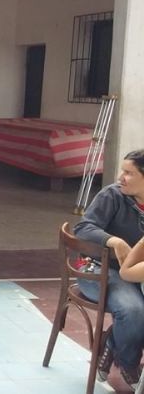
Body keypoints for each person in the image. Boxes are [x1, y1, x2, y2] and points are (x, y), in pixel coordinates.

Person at [75, 149, 144, 389]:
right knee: (134, 310)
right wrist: (111, 240)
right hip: (98, 270)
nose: (121, 177)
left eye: (129, 173)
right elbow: (82, 228)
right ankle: (129, 367)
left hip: (137, 274)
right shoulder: (112, 196)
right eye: (122, 171)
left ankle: (110, 342)